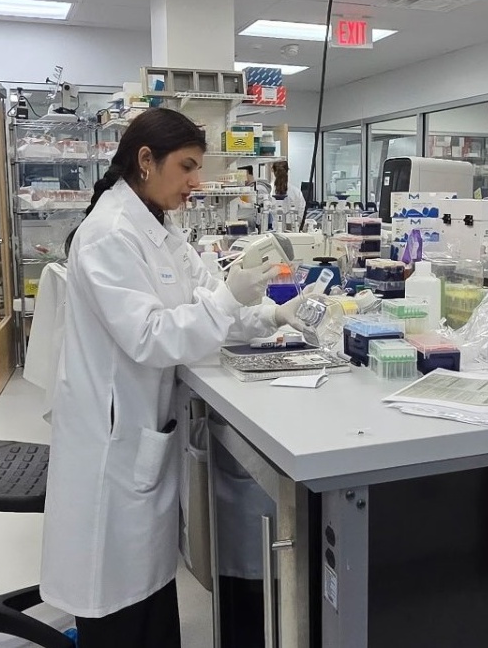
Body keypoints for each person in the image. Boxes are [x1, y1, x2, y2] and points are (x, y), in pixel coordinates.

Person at [40, 108, 314, 647]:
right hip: (111, 443)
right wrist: (228, 300)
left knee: (147, 591)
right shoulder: (108, 236)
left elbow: (206, 295)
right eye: (186, 167)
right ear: (146, 160)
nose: (195, 182)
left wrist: (270, 315)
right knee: (117, 598)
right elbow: (151, 336)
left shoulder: (160, 229)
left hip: (140, 430)